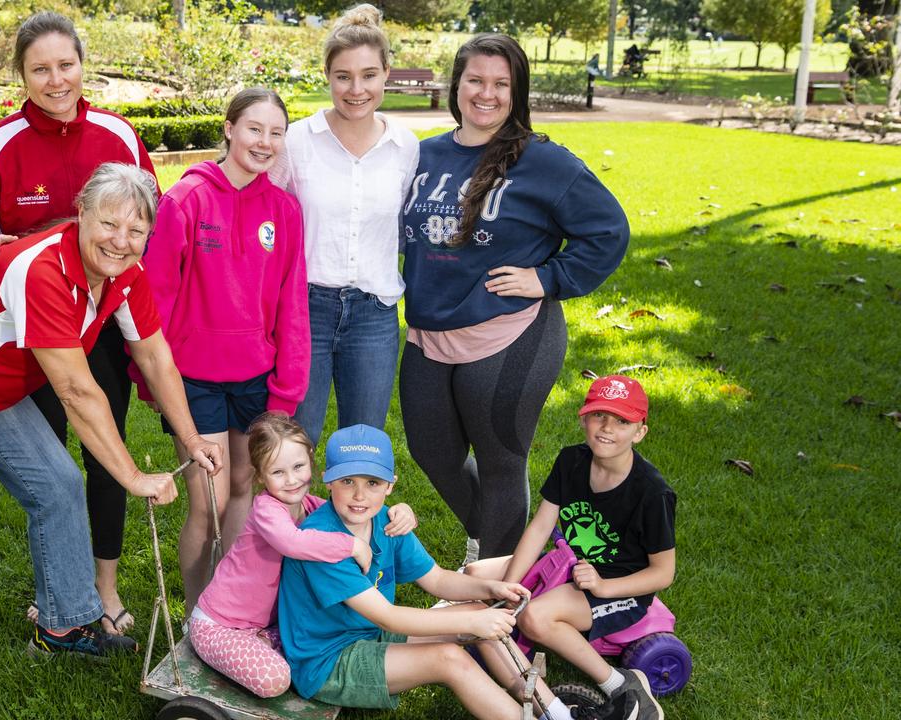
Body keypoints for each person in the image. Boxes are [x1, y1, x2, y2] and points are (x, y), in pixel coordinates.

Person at [0, 164, 221, 671]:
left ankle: (65, 624)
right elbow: (78, 392)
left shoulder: (124, 276)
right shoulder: (43, 270)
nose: (121, 241)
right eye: (108, 223)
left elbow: (154, 356)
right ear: (80, 214)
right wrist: (133, 476)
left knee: (58, 486)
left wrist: (189, 439)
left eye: (136, 230)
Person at [0, 11, 159, 636]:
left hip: (103, 326)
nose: (56, 80)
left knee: (105, 447)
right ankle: (57, 590)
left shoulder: (117, 136)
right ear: (23, 76)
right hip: (28, 336)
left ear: (83, 65)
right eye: (41, 69)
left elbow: (146, 221)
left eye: (66, 65)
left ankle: (104, 587)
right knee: (47, 464)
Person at [399, 33, 630, 566]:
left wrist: (548, 278)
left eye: (501, 84)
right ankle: (508, 555)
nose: (487, 94)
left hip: (510, 332)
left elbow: (608, 232)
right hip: (430, 332)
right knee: (432, 451)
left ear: (516, 91)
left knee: (502, 463)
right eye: (476, 80)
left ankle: (492, 596)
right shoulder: (423, 154)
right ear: (456, 85)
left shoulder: (542, 161)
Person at [277, 425, 638, 720]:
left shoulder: (386, 522)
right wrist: (471, 627)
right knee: (448, 658)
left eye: (372, 483)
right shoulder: (322, 542)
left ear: (390, 484)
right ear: (328, 481)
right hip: (327, 662)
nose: (359, 495)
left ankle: (558, 715)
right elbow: (388, 617)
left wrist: (491, 586)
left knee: (478, 614)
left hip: (367, 636)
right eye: (347, 482)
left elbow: (436, 579)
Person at [136, 87, 309, 612]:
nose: (265, 142)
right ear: (229, 128)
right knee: (205, 502)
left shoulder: (283, 210)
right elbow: (155, 298)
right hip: (196, 377)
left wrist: (287, 386)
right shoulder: (187, 199)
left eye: (276, 133)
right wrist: (153, 381)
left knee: (242, 488)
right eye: (254, 128)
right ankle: (195, 614)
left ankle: (228, 608)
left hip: (254, 376)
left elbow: (291, 302)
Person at [465, 375, 674, 720]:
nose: (607, 428)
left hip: (617, 585)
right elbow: (542, 525)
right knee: (476, 575)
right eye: (599, 416)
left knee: (534, 617)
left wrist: (605, 586)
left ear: (640, 432)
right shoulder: (572, 461)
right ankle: (495, 645)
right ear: (583, 419)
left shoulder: (651, 494)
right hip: (569, 563)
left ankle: (621, 684)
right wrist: (509, 587)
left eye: (622, 421)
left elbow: (663, 573)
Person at [188, 413, 417, 698]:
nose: (292, 480)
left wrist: (400, 510)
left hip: (269, 626)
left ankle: (263, 645)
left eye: (298, 466)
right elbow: (291, 541)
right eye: (277, 472)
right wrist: (352, 546)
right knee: (276, 680)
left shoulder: (311, 506)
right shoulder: (267, 510)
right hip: (222, 625)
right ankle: (214, 654)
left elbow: (351, 513)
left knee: (308, 650)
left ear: (311, 460)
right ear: (260, 475)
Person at [272, 4, 419, 445]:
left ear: (387, 73)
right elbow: (265, 215)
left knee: (362, 443)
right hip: (305, 308)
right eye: (343, 76)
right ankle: (288, 518)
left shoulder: (404, 146)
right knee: (298, 439)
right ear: (327, 75)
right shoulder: (297, 140)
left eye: (369, 75)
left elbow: (409, 228)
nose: (357, 89)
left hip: (374, 314)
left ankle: (355, 517)